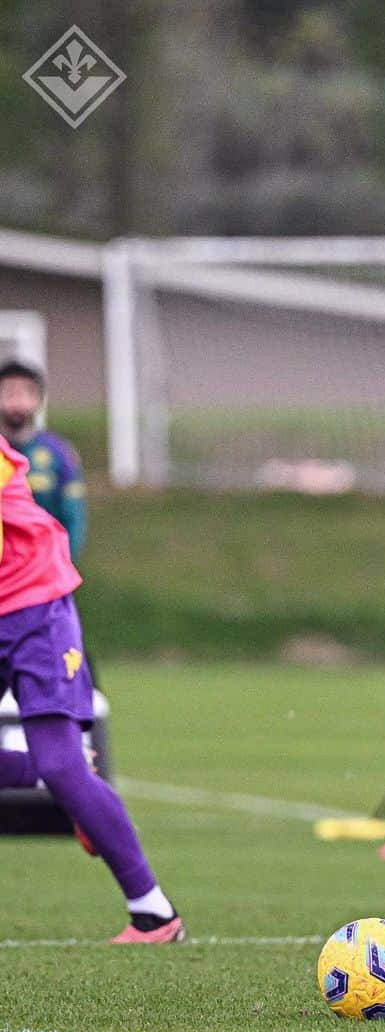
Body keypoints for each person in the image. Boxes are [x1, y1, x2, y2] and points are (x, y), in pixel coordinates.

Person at [0, 428, 183, 942]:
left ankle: (154, 914)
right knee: (60, 770)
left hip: (35, 610)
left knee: (62, 763)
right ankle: (69, 785)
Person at [0, 359, 87, 561]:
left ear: (39, 399)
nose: (18, 401)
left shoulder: (59, 453)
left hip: (41, 571)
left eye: (26, 393)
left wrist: (64, 566)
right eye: (10, 393)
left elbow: (73, 515)